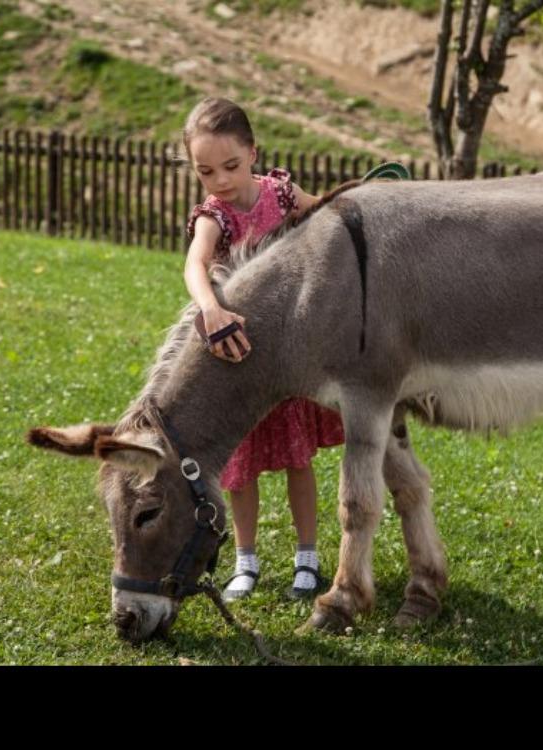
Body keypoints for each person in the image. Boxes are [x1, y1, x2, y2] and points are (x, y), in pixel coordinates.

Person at [182, 97, 345, 602]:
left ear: (253, 153)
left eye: (230, 165)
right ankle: (245, 562)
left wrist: (357, 199)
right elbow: (194, 264)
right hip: (239, 357)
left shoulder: (280, 193)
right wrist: (210, 307)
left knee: (299, 460)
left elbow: (326, 213)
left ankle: (307, 558)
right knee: (239, 469)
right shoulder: (214, 216)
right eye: (206, 171)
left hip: (288, 355)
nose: (220, 180)